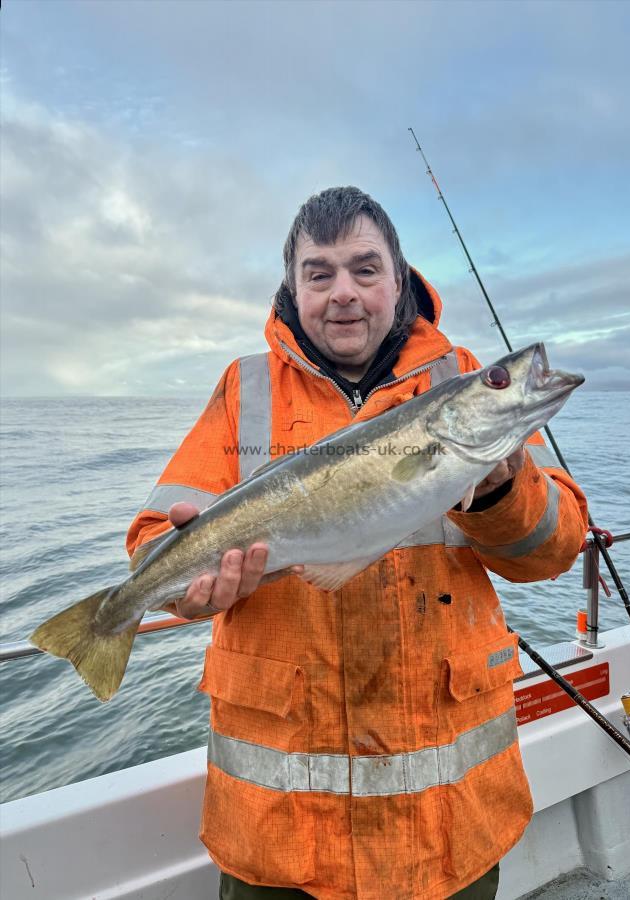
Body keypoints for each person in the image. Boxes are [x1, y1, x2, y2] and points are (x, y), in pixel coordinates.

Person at [127, 187, 588, 900]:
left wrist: (498, 487)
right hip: (278, 832)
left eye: (365, 270)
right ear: (294, 288)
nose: (344, 293)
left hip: (447, 825)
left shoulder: (459, 380)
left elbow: (554, 550)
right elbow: (155, 533)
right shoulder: (244, 388)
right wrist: (181, 584)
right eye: (320, 274)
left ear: (398, 281)